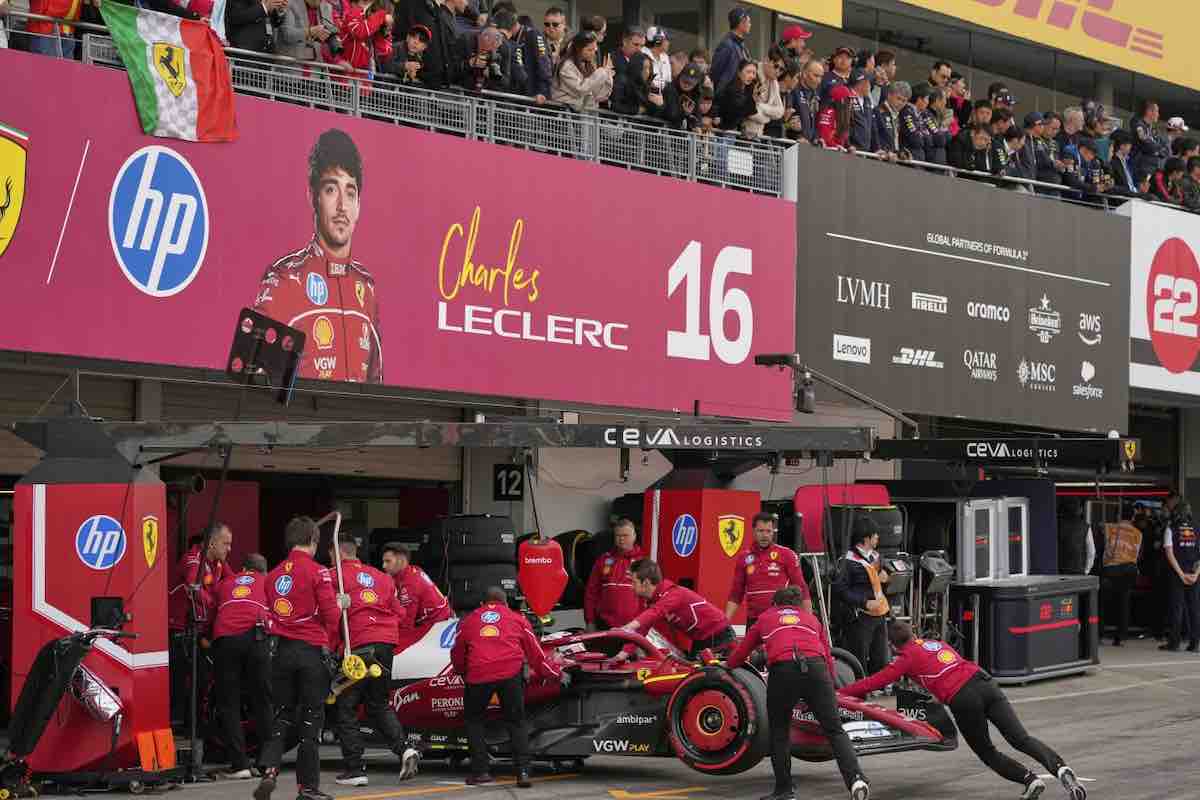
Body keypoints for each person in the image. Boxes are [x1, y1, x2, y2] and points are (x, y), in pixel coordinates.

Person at [841, 621, 1087, 800]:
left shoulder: (904, 659)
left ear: (892, 646)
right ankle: (1060, 768)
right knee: (1020, 738)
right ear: (913, 633)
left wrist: (841, 692)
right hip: (984, 682)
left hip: (963, 698)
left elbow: (874, 682)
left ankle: (1029, 779)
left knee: (986, 751)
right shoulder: (936, 643)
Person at [253, 129, 382, 384]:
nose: (342, 206)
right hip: (302, 412)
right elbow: (252, 380)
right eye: (331, 190)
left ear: (359, 205)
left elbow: (376, 384)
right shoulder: (285, 278)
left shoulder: (367, 287)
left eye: (350, 193)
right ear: (313, 197)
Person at [727, 588, 870, 800]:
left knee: (780, 732)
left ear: (775, 604)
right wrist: (830, 686)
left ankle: (784, 790)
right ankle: (856, 779)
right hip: (817, 669)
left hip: (783, 670)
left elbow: (741, 653)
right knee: (834, 730)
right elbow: (828, 657)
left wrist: (727, 665)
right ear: (798, 605)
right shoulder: (811, 619)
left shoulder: (766, 617)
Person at [255, 517, 342, 800]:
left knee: (282, 716)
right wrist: (339, 607)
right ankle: (307, 788)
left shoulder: (272, 575)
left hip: (280, 653)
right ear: (313, 541)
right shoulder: (319, 572)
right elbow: (331, 617)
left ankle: (270, 771)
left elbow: (266, 615)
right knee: (310, 721)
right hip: (310, 652)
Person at [328, 538, 421, 785]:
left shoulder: (333, 576)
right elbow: (401, 614)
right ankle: (405, 750)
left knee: (346, 706)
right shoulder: (382, 577)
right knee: (379, 704)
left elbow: (329, 617)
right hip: (385, 645)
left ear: (336, 554)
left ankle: (354, 769)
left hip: (359, 645)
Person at [450, 587, 563, 787]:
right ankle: (523, 773)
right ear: (506, 603)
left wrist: (462, 672)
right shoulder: (517, 619)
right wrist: (555, 674)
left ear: (482, 604)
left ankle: (481, 772)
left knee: (474, 721)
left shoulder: (469, 620)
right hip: (510, 674)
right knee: (516, 722)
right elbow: (536, 655)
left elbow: (457, 652)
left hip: (478, 675)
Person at [210, 553, 273, 780]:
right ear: (263, 572)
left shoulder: (227, 582)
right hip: (257, 637)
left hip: (226, 638)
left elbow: (211, 607)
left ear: (243, 569)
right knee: (263, 701)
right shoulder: (268, 582)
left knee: (229, 703)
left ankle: (240, 765)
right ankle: (266, 764)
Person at [168, 523, 231, 728]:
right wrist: (217, 605)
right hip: (180, 628)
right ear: (211, 544)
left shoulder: (219, 562)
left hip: (200, 628)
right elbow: (193, 587)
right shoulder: (193, 559)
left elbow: (234, 581)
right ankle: (180, 722)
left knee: (202, 677)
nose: (229, 549)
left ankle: (195, 722)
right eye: (226, 544)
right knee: (184, 678)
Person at [619, 559, 734, 658]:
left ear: (646, 582)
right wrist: (622, 655)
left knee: (705, 675)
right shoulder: (651, 601)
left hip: (719, 637)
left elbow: (656, 611)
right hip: (701, 639)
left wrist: (628, 627)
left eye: (633, 582)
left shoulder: (674, 593)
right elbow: (640, 630)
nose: (631, 587)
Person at [726, 512, 807, 627]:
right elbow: (736, 593)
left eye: (768, 531)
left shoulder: (787, 554)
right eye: (761, 531)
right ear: (754, 531)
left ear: (773, 532)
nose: (765, 535)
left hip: (779, 618)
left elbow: (802, 589)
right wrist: (725, 621)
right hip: (754, 620)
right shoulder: (743, 558)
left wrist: (809, 621)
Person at [832, 517, 890, 677]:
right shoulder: (847, 561)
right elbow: (840, 590)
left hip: (879, 614)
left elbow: (879, 584)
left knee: (881, 657)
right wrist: (864, 603)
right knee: (859, 658)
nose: (878, 537)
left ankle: (879, 686)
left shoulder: (876, 557)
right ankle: (859, 687)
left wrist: (886, 578)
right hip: (859, 616)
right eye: (875, 535)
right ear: (866, 538)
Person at [381, 542, 453, 651]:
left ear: (401, 561)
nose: (384, 566)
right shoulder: (413, 570)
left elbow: (406, 625)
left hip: (435, 628)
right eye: (384, 561)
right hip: (442, 621)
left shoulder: (409, 585)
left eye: (388, 561)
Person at [584, 519, 645, 633]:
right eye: (618, 536)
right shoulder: (603, 560)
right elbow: (591, 592)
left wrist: (644, 625)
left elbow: (651, 597)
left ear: (634, 536)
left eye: (625, 535)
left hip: (634, 627)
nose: (621, 539)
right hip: (604, 626)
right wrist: (590, 622)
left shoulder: (643, 562)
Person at [1160, 505, 1200, 652]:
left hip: (1177, 575)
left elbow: (1169, 553)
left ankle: (1174, 643)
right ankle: (1195, 643)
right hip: (1193, 574)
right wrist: (1196, 574)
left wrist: (1181, 574)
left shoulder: (1170, 529)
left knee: (1177, 608)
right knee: (1194, 608)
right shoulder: (1197, 529)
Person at [1100, 517, 1141, 647]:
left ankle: (1099, 634)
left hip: (1111, 569)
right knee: (1124, 602)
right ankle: (1120, 637)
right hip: (1129, 569)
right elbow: (1137, 553)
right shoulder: (1138, 533)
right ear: (1132, 517)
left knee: (1103, 602)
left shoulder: (1110, 528)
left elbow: (1105, 547)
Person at [552, 32, 614, 112]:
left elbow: (599, 95)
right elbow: (581, 89)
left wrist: (608, 76)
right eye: (589, 50)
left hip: (583, 112)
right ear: (578, 49)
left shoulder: (588, 65)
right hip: (565, 112)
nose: (593, 53)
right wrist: (602, 72)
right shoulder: (567, 66)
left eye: (594, 50)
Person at [710, 6, 752, 91]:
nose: (750, 25)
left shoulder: (741, 45)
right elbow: (715, 73)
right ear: (741, 23)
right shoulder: (727, 45)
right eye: (749, 22)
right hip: (727, 96)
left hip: (738, 94)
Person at [717, 59, 759, 134]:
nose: (751, 76)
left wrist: (754, 99)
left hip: (734, 130)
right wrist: (752, 99)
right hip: (723, 129)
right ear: (739, 73)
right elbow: (737, 111)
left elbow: (750, 112)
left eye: (754, 73)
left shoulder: (749, 89)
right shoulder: (730, 89)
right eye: (748, 72)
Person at [1132, 99, 1170, 183]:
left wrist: (1157, 151)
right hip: (1140, 167)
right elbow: (1147, 145)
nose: (1158, 115)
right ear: (1149, 111)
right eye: (1157, 111)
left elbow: (1165, 150)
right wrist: (1157, 150)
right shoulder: (1138, 125)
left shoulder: (1153, 130)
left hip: (1151, 168)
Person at [816, 84, 855, 150]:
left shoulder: (843, 116)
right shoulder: (827, 113)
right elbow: (824, 137)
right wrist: (835, 146)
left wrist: (849, 146)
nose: (851, 102)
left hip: (837, 152)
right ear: (842, 101)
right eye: (849, 99)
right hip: (826, 152)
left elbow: (843, 138)